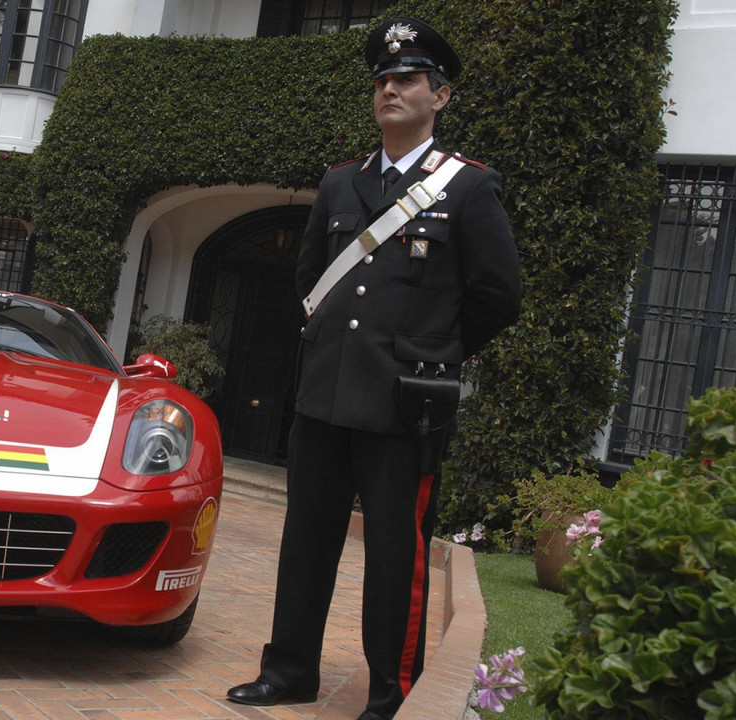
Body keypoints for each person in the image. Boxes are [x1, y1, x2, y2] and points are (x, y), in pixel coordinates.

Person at [226, 18, 522, 720]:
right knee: (306, 543)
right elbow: (309, 285)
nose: (391, 88)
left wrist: (433, 353)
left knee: (397, 554)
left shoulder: (468, 190)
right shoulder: (340, 184)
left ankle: (391, 691)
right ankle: (289, 670)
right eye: (383, 80)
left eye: (408, 79)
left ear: (439, 97)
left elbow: (499, 298)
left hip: (402, 406)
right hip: (324, 396)